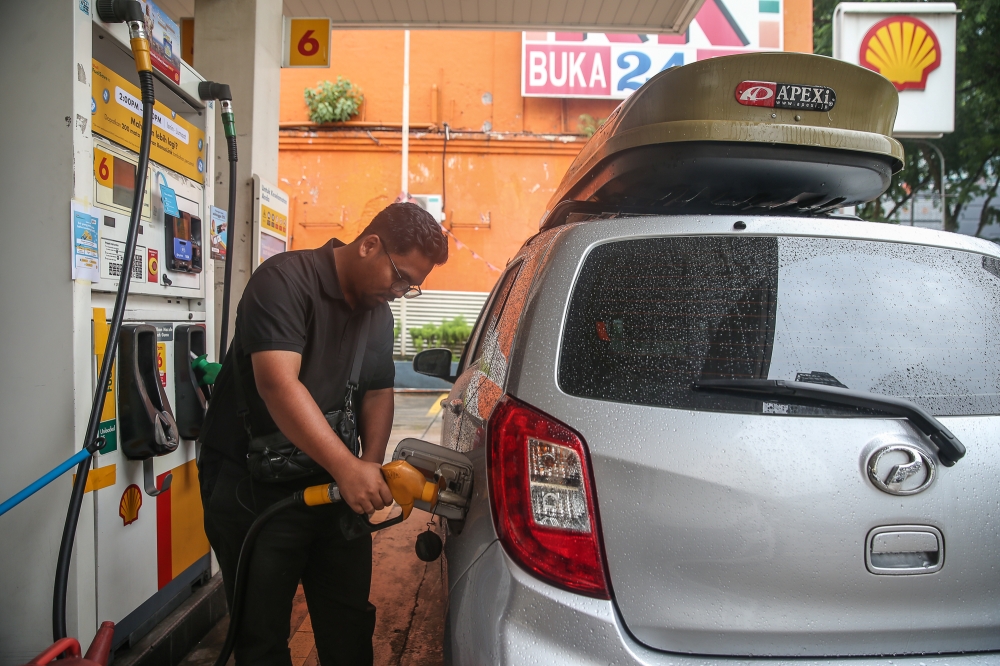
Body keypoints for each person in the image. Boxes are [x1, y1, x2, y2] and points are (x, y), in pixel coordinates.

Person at [197, 203, 449, 665]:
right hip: (253, 489)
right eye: (398, 277)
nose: (399, 291)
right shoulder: (284, 282)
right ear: (370, 244)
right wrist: (347, 467)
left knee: (349, 623)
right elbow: (278, 383)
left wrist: (369, 466)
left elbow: (377, 391)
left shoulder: (376, 312)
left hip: (331, 491)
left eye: (410, 287)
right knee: (261, 636)